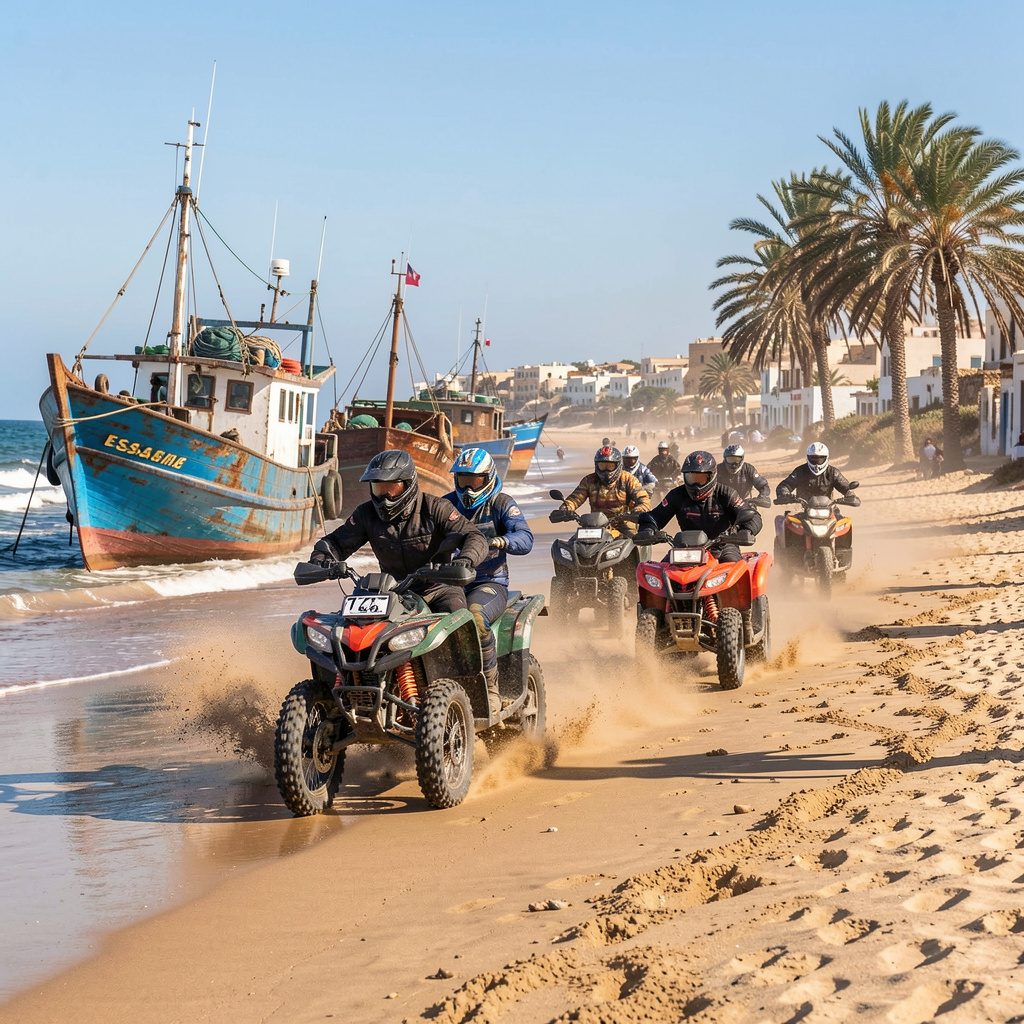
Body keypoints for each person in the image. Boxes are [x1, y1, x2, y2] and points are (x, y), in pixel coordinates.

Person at [309, 450, 489, 617]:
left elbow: (474, 537)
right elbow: (337, 542)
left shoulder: (436, 508)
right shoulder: (366, 513)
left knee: (460, 621)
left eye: (391, 488)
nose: (384, 497)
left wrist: (465, 560)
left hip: (438, 589)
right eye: (379, 488)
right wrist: (322, 558)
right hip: (390, 593)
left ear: (408, 484)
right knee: (349, 627)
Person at [444, 447, 534, 705]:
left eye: (476, 481)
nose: (470, 489)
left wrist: (500, 541)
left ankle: (491, 690)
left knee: (475, 617)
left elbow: (525, 537)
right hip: (446, 583)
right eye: (464, 481)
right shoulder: (445, 504)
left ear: (489, 478)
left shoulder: (501, 503)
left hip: (488, 583)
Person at [638, 450, 761, 564]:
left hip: (723, 546)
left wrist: (747, 530)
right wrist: (647, 529)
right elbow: (655, 516)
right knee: (660, 574)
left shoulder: (726, 493)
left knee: (735, 570)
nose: (696, 485)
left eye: (701, 479)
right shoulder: (677, 495)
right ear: (685, 477)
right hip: (685, 549)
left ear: (712, 476)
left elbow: (752, 515)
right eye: (692, 478)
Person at [775, 442, 861, 508]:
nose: (816, 462)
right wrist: (784, 494)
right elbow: (785, 485)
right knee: (789, 522)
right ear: (808, 458)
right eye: (813, 459)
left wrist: (850, 494)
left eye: (820, 459)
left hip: (828, 508)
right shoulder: (800, 471)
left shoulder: (833, 472)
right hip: (803, 508)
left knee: (843, 523)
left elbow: (844, 486)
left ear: (826, 458)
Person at [719, 444, 771, 515]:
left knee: (754, 520)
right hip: (720, 507)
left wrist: (763, 496)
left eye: (737, 459)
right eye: (730, 459)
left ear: (742, 459)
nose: (733, 464)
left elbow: (763, 485)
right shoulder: (717, 470)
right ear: (725, 459)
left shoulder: (749, 469)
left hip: (745, 505)